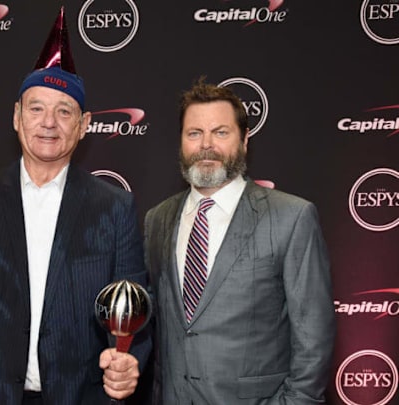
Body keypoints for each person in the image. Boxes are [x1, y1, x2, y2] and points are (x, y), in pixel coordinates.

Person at [0, 7, 151, 405]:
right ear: (15, 116)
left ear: (83, 125)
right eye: (37, 108)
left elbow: (130, 309)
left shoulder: (115, 208)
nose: (49, 123)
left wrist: (130, 363)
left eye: (64, 111)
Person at [144, 77, 336, 404]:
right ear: (181, 142)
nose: (207, 144)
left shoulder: (291, 217)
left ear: (244, 140)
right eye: (194, 133)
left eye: (221, 132)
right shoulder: (157, 220)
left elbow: (313, 340)